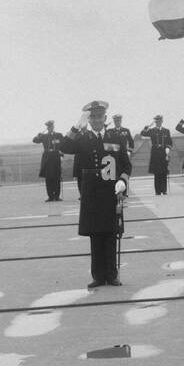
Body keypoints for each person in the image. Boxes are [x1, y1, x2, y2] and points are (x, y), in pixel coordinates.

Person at [60, 101, 130, 287]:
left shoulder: (116, 137)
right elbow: (64, 146)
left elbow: (125, 164)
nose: (97, 120)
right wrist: (77, 125)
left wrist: (122, 181)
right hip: (91, 192)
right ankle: (98, 276)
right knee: (95, 234)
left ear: (105, 118)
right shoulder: (83, 139)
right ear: (89, 120)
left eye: (100, 116)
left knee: (111, 232)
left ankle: (112, 275)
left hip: (111, 191)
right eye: (93, 117)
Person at [140, 116, 172, 195]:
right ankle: (157, 191)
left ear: (162, 121)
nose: (158, 123)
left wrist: (168, 148)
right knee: (157, 173)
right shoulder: (152, 130)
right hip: (155, 153)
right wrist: (147, 127)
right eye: (157, 121)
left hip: (164, 152)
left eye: (159, 121)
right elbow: (142, 133)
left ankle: (164, 190)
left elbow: (169, 142)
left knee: (164, 172)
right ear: (155, 122)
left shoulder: (166, 131)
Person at [33, 121, 64, 202]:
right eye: (48, 127)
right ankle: (50, 196)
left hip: (56, 156)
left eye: (51, 126)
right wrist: (38, 135)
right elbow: (35, 140)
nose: (50, 128)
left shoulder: (59, 135)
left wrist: (62, 155)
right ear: (47, 128)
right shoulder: (44, 136)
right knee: (48, 177)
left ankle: (57, 196)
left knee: (57, 176)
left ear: (53, 127)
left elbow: (63, 145)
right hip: (47, 157)